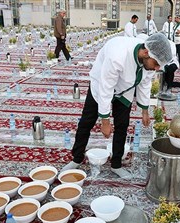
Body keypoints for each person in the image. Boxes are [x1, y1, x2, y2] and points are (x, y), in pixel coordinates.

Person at [60, 33, 173, 178]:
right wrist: (105, 121)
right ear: (146, 53)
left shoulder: (149, 60)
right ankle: (76, 158)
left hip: (125, 88)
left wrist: (145, 110)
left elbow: (145, 83)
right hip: (101, 85)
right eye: (156, 64)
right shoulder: (118, 56)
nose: (157, 68)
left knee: (122, 125)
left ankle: (116, 164)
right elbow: (106, 88)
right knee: (86, 122)